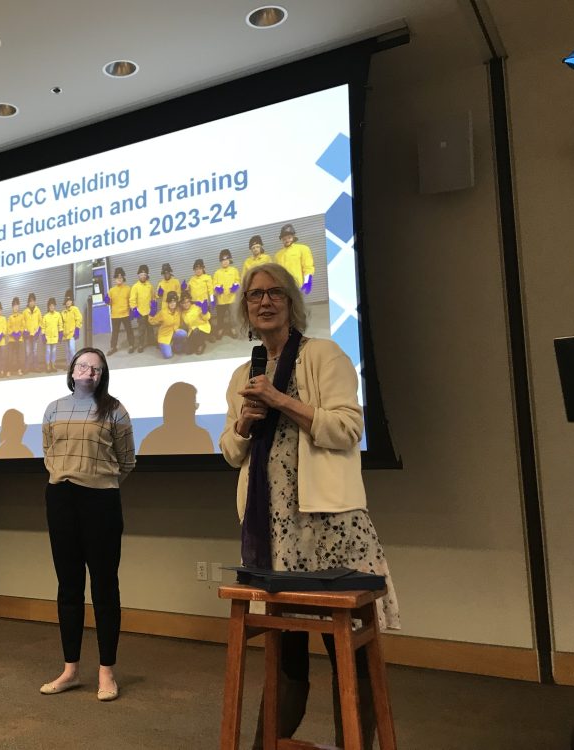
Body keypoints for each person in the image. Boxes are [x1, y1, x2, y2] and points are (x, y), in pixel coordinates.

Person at [218, 262, 399, 748]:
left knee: (348, 653)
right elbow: (233, 452)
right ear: (246, 310)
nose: (265, 301)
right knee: (286, 650)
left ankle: (355, 741)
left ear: (291, 303)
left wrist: (281, 401)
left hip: (330, 525)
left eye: (275, 293)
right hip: (274, 530)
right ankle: (267, 745)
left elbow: (347, 429)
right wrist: (244, 423)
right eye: (255, 295)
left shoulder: (322, 355)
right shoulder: (244, 372)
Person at [40, 347, 136, 702]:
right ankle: (70, 669)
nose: (89, 372)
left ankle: (107, 672)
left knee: (105, 587)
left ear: (102, 375)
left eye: (96, 368)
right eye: (83, 365)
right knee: (68, 586)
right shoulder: (53, 409)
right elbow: (49, 453)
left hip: (101, 502)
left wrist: (99, 483)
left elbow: (127, 461)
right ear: (72, 370)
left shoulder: (115, 410)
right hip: (61, 500)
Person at [273, 223, 315, 294]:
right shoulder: (278, 255)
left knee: (298, 305)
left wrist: (308, 281)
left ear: (293, 237)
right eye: (284, 239)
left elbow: (308, 267)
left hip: (297, 286)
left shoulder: (303, 249)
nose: (287, 240)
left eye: (289, 237)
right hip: (283, 287)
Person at [212, 248, 241, 339]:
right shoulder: (217, 273)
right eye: (223, 260)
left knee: (232, 315)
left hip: (231, 298)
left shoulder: (234, 270)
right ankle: (220, 329)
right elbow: (214, 284)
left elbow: (238, 280)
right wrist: (217, 288)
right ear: (220, 262)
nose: (225, 262)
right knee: (220, 316)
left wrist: (235, 286)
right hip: (221, 299)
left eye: (226, 260)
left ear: (230, 260)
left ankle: (233, 328)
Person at [106, 267, 135, 356]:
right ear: (115, 279)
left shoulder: (128, 289)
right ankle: (113, 347)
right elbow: (109, 303)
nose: (119, 279)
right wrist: (107, 300)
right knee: (115, 332)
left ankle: (131, 345)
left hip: (126, 313)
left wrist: (132, 310)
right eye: (117, 278)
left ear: (123, 279)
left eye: (121, 278)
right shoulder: (111, 290)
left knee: (129, 330)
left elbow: (131, 300)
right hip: (115, 315)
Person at [148, 290, 182, 359]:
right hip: (164, 335)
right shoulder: (163, 312)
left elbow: (187, 304)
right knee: (168, 355)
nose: (172, 304)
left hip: (174, 332)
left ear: (176, 302)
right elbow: (152, 321)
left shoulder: (178, 310)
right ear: (168, 303)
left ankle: (174, 345)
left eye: (174, 302)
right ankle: (162, 344)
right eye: (170, 302)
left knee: (183, 333)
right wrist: (152, 313)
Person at [128, 264, 154, 353]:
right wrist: (134, 309)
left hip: (149, 311)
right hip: (140, 312)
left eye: (144, 275)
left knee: (150, 328)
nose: (143, 276)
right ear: (138, 275)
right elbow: (132, 299)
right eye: (141, 275)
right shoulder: (135, 286)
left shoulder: (149, 285)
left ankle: (151, 341)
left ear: (147, 275)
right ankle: (140, 345)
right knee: (141, 330)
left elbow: (153, 296)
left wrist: (153, 306)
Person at [61, 290, 83, 362]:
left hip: (72, 333)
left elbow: (79, 319)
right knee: (67, 351)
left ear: (72, 301)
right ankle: (68, 365)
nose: (68, 302)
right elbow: (61, 324)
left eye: (69, 300)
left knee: (72, 349)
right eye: (66, 300)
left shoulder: (75, 309)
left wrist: (77, 329)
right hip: (65, 334)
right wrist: (60, 333)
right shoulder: (63, 312)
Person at [43, 297, 63, 372]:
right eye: (50, 305)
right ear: (48, 307)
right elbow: (43, 327)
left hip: (55, 337)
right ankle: (48, 365)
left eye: (53, 305)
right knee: (48, 351)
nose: (52, 307)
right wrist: (43, 336)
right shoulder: (45, 316)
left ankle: (53, 365)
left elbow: (60, 325)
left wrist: (60, 334)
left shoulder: (58, 315)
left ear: (55, 306)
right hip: (48, 337)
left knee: (54, 351)